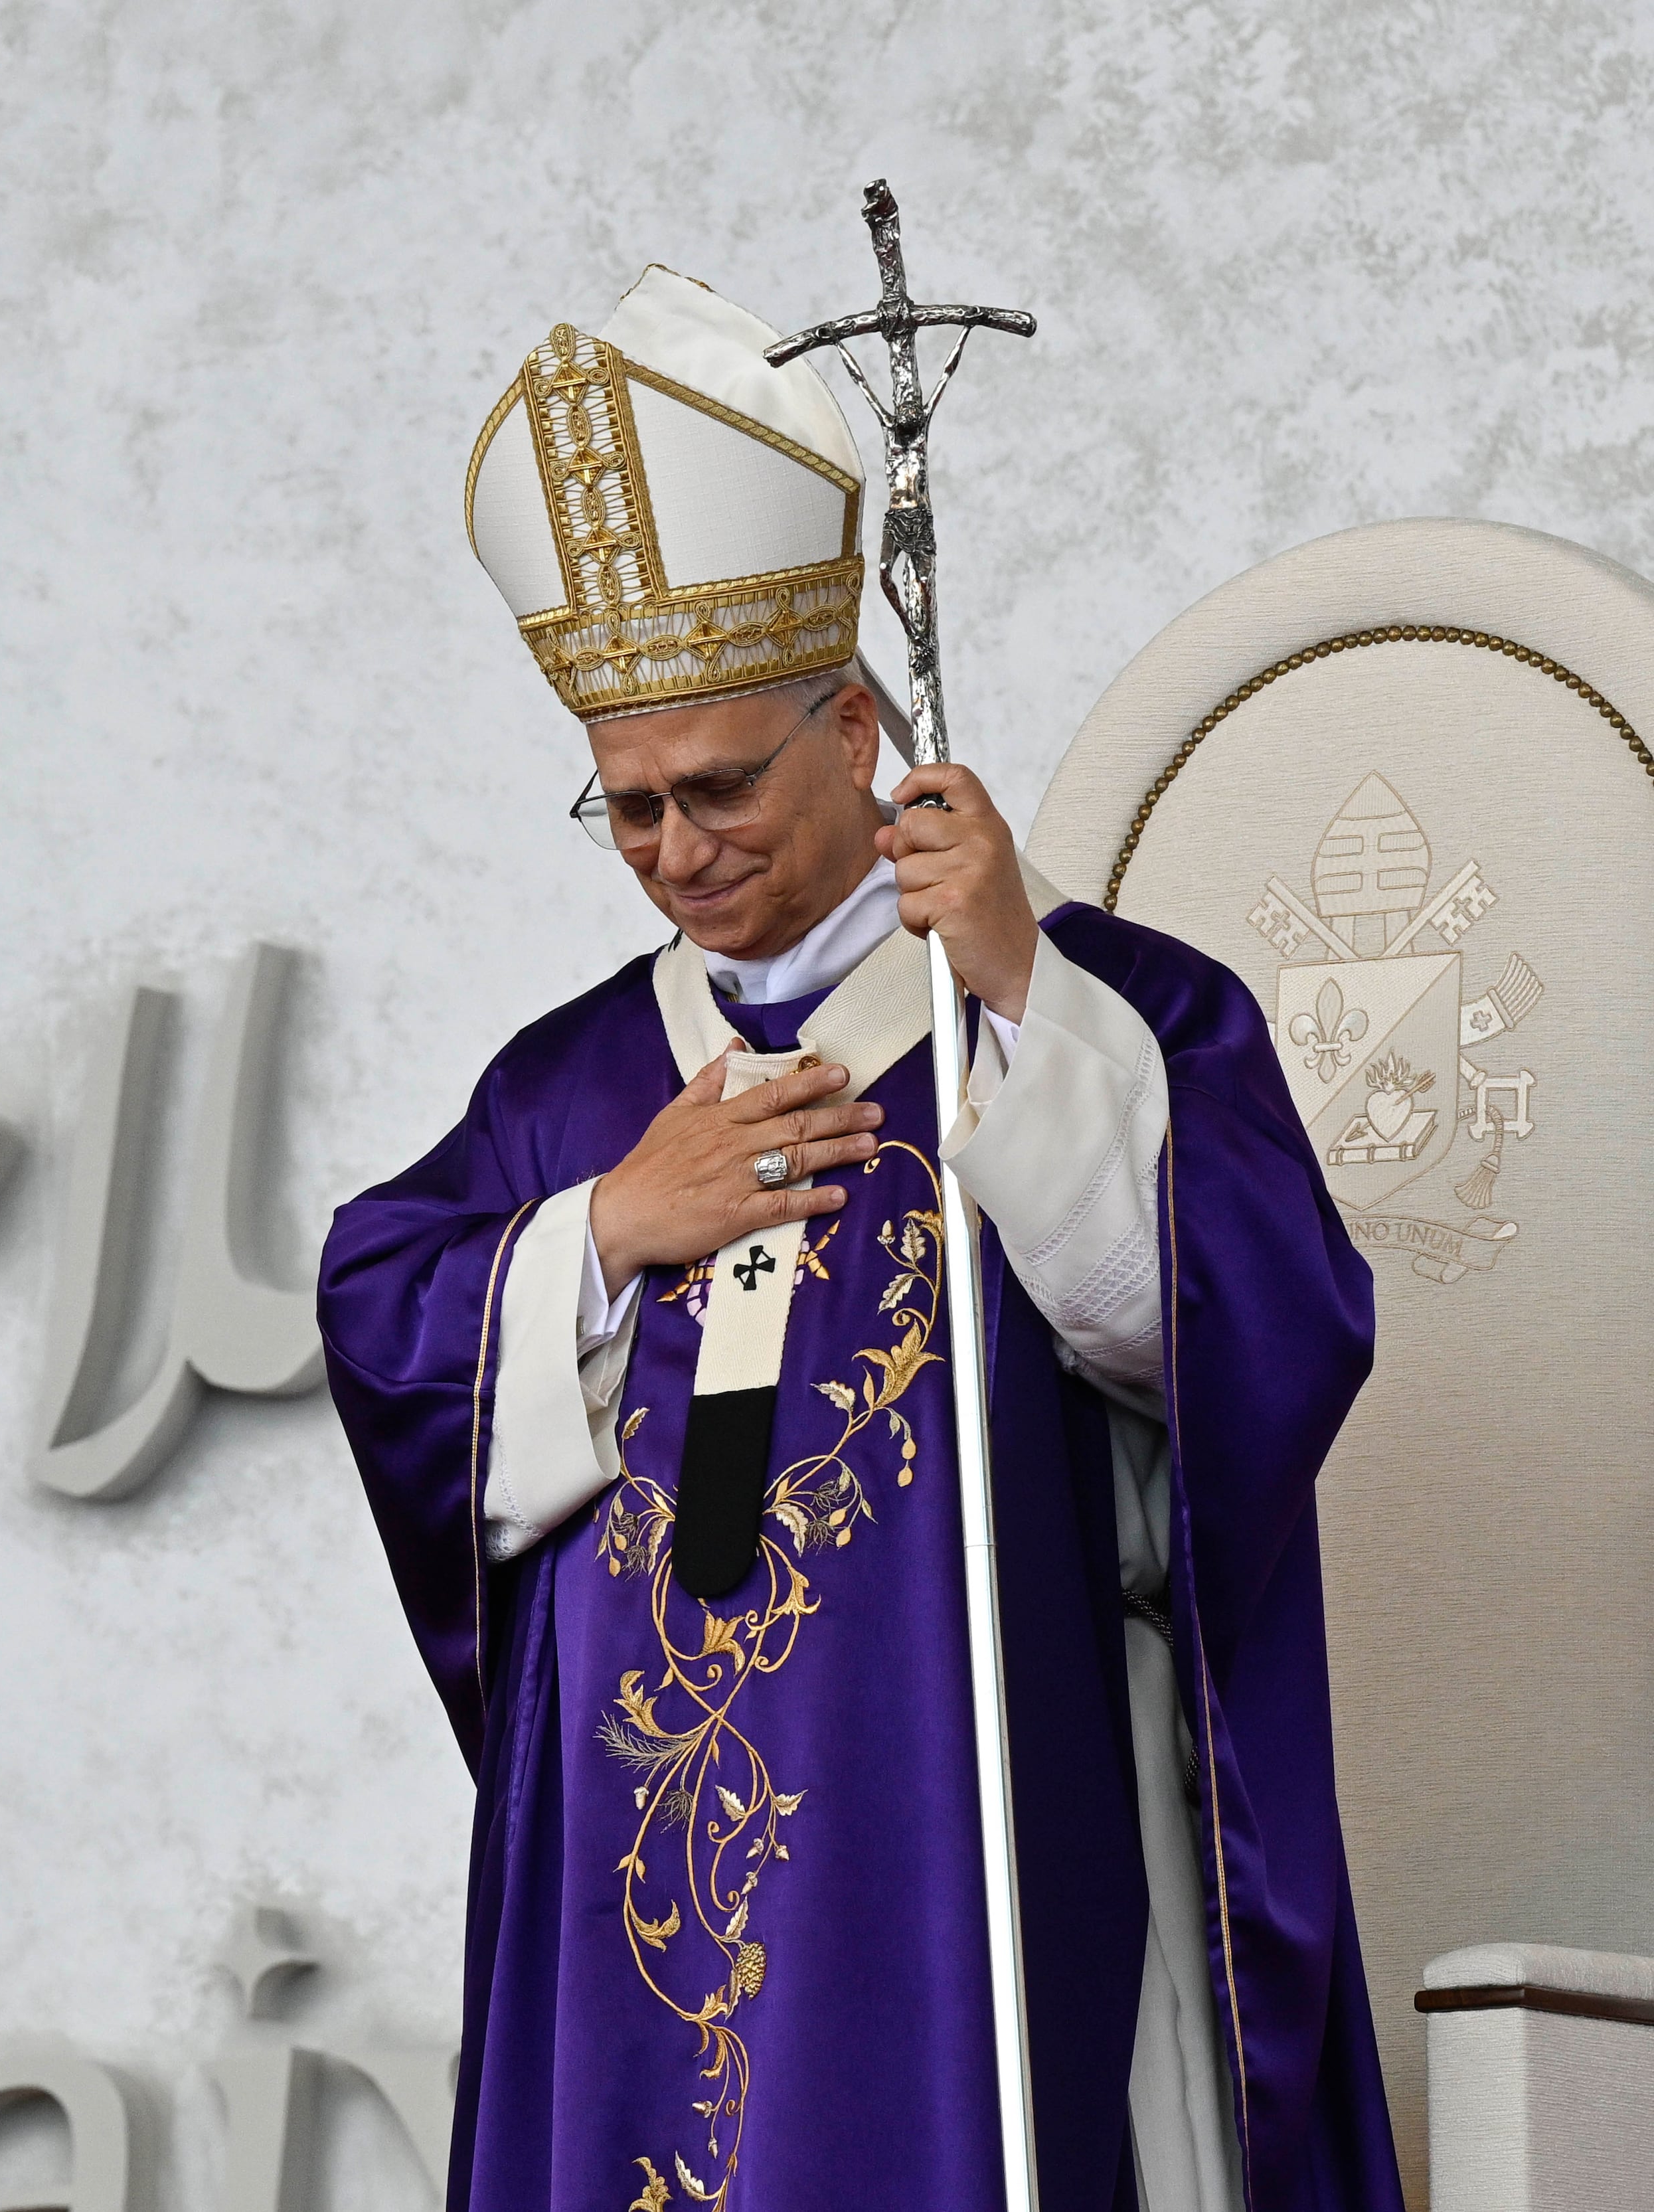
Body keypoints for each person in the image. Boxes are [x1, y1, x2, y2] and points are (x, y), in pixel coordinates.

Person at [319, 266, 1404, 2212]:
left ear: (857, 722)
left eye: (721, 784)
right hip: (637, 1922)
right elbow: (387, 1318)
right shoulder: (571, 1091)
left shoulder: (1096, 1011)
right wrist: (595, 1233)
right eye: (628, 807)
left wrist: (1017, 999)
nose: (678, 848)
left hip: (968, 1877)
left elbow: (1260, 1335)